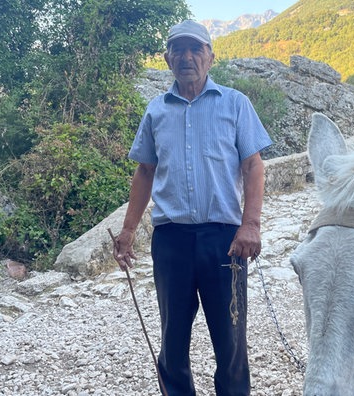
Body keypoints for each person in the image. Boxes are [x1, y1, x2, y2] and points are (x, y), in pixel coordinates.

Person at [113, 19, 272, 396]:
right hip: (171, 241)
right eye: (179, 50)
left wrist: (251, 224)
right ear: (168, 58)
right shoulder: (155, 111)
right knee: (172, 341)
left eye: (195, 49)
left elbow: (253, 166)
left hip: (225, 240)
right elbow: (145, 171)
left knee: (231, 341)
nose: (187, 57)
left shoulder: (235, 103)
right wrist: (128, 231)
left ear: (210, 57)